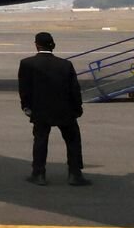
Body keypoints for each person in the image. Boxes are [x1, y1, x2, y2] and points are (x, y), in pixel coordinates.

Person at [17, 32, 88, 186]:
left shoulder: (27, 64)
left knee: (40, 140)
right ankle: (75, 174)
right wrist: (78, 108)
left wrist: (26, 107)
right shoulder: (65, 64)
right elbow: (74, 89)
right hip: (65, 109)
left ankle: (39, 173)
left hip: (40, 109)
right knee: (73, 140)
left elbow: (24, 89)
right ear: (53, 45)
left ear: (36, 45)